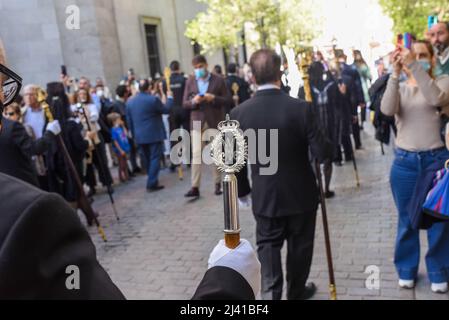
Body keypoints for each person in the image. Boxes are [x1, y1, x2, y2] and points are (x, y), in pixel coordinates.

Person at [231, 49, 333, 300]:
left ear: (252, 77)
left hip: (266, 197)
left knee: (268, 249)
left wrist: (243, 192)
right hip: (301, 196)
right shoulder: (301, 108)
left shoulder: (238, 114)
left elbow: (236, 163)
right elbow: (324, 153)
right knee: (300, 250)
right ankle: (296, 292)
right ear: (280, 72)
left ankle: (272, 292)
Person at [381, 40, 449, 294]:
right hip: (405, 163)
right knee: (407, 219)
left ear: (431, 59)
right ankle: (407, 269)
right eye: (414, 54)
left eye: (423, 55)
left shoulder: (442, 83)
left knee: (439, 219)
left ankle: (438, 270)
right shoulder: (399, 86)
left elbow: (435, 99)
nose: (417, 58)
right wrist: (396, 72)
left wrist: (413, 66)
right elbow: (387, 109)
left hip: (436, 161)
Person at [183, 55, 232, 199]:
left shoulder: (218, 80)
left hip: (214, 120)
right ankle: (195, 187)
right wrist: (194, 101)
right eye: (196, 68)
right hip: (197, 121)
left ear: (206, 65)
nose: (198, 70)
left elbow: (227, 100)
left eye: (200, 67)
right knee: (196, 155)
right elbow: (184, 103)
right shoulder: (190, 81)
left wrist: (214, 98)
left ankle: (217, 183)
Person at [299, 61, 341, 198]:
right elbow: (340, 103)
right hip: (327, 127)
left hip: (316, 129)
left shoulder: (308, 88)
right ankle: (325, 188)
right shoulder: (309, 89)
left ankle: (320, 187)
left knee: (315, 159)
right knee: (325, 158)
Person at [126, 79, 173, 192]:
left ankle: (152, 178)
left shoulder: (130, 102)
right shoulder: (153, 99)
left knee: (147, 158)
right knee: (154, 158)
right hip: (153, 134)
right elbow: (166, 110)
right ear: (149, 88)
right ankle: (151, 182)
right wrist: (170, 98)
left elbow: (129, 120)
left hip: (139, 135)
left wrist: (132, 134)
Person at [74, 88, 113, 197]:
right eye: (80, 93)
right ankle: (91, 185)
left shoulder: (91, 106)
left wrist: (85, 115)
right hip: (84, 136)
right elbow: (76, 121)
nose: (82, 95)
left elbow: (94, 116)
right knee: (88, 163)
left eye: (84, 93)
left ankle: (107, 183)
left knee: (100, 160)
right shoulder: (74, 107)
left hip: (95, 135)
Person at [162, 61, 190, 172]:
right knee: (186, 134)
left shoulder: (166, 82)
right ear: (178, 68)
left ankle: (175, 161)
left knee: (174, 136)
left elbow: (166, 95)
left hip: (172, 110)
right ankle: (188, 158)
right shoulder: (184, 80)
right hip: (183, 109)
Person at [112, 84, 141, 175]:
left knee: (132, 148)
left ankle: (134, 166)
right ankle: (128, 170)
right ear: (124, 93)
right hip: (122, 132)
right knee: (126, 150)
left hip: (129, 129)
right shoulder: (117, 104)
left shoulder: (126, 102)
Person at [108, 112, 131, 183]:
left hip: (124, 147)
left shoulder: (120, 128)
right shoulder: (113, 130)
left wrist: (123, 126)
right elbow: (115, 141)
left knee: (125, 162)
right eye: (119, 119)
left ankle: (127, 176)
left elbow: (126, 134)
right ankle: (121, 177)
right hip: (119, 149)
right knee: (121, 164)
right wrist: (120, 150)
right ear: (114, 121)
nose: (120, 120)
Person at [352, 50, 372, 129]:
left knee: (361, 105)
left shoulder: (355, 66)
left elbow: (369, 76)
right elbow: (369, 76)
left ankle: (360, 122)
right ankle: (360, 122)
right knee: (362, 105)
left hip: (359, 88)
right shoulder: (360, 65)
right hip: (361, 88)